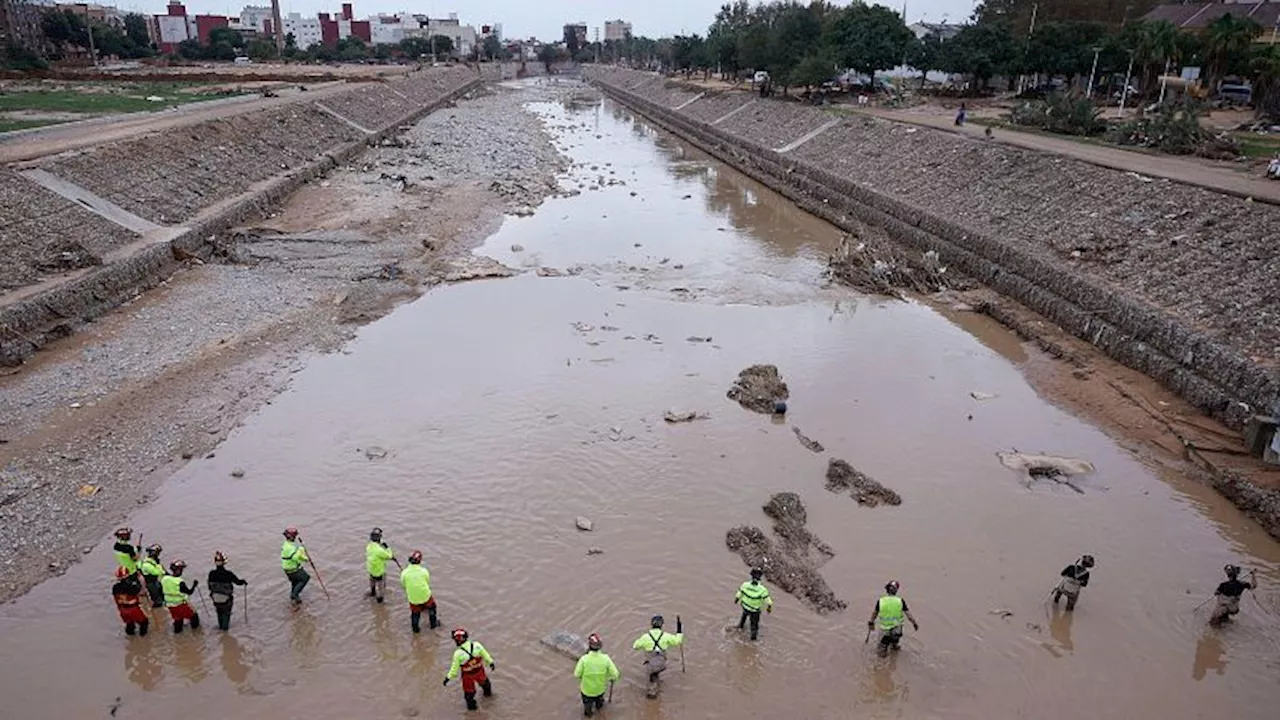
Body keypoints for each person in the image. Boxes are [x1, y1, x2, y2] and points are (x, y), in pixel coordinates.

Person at [443, 627, 495, 711]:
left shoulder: (458, 654)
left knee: (469, 695)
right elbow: (486, 655)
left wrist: (448, 678)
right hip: (479, 671)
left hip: (468, 677)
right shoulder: (477, 645)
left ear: (458, 640)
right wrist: (491, 663)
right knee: (486, 685)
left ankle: (473, 711)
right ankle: (489, 698)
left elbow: (454, 670)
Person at [632, 615, 683, 698]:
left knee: (651, 677)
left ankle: (651, 695)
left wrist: (644, 643)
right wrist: (679, 630)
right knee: (656, 672)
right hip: (661, 663)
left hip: (651, 663)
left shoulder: (646, 636)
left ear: (651, 624)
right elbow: (678, 641)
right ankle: (656, 681)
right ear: (662, 625)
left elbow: (635, 646)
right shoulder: (666, 636)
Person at [867, 581, 918, 657]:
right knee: (895, 644)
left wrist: (871, 622)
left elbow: (874, 614)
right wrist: (914, 623)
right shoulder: (900, 601)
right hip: (897, 630)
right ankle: (894, 649)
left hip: (885, 631)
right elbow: (909, 615)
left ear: (887, 589)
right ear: (896, 590)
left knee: (881, 650)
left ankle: (882, 665)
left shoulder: (881, 601)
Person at [575, 633, 619, 717]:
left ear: (589, 646)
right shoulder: (606, 658)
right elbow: (616, 674)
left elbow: (577, 674)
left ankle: (589, 715)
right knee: (599, 705)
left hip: (587, 691)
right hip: (600, 690)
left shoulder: (584, 659)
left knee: (587, 709)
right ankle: (600, 713)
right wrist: (610, 677)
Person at [207, 551, 248, 631]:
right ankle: (224, 632)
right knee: (226, 613)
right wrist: (243, 582)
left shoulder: (211, 574)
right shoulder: (228, 574)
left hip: (215, 599)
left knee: (219, 612)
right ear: (224, 562)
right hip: (226, 599)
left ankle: (220, 627)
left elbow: (209, 587)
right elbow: (238, 582)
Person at [399, 550, 437, 632]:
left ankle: (415, 630)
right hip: (425, 596)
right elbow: (427, 581)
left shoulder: (404, 573)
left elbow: (403, 585)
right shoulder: (424, 571)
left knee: (415, 614)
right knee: (432, 608)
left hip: (413, 599)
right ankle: (433, 625)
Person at [161, 560, 201, 633]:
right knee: (194, 616)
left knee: (178, 619)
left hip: (170, 605)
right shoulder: (179, 582)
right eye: (181, 569)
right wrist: (194, 585)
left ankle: (177, 635)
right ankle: (196, 634)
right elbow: (189, 592)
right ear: (179, 570)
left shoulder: (165, 579)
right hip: (180, 604)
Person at [734, 567, 774, 641]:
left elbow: (738, 595)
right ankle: (753, 640)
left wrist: (736, 600)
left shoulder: (745, 585)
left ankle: (740, 627)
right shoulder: (762, 590)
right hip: (754, 610)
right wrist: (769, 607)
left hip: (745, 606)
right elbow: (769, 602)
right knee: (754, 626)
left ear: (751, 575)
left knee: (744, 616)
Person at [112, 571, 149, 637]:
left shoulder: (115, 587)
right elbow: (139, 589)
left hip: (122, 610)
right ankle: (143, 638)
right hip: (133, 609)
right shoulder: (131, 586)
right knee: (144, 622)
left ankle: (131, 638)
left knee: (129, 624)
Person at [366, 527, 397, 603]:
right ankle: (380, 602)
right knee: (381, 588)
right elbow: (389, 556)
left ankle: (372, 593)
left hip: (371, 570)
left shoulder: (369, 546)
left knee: (372, 584)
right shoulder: (379, 550)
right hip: (379, 573)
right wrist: (387, 547)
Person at [280, 527, 310, 604]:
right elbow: (296, 557)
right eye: (295, 536)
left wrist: (306, 559)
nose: (295, 537)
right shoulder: (289, 547)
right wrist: (302, 548)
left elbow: (297, 555)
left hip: (289, 569)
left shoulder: (289, 544)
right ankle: (295, 594)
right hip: (292, 569)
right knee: (305, 578)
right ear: (292, 537)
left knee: (295, 582)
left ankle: (293, 596)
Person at [140, 544, 166, 608]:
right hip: (150, 583)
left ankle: (163, 601)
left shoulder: (152, 561)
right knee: (155, 594)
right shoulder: (147, 565)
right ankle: (158, 606)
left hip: (155, 581)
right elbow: (158, 572)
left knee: (160, 590)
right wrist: (158, 565)